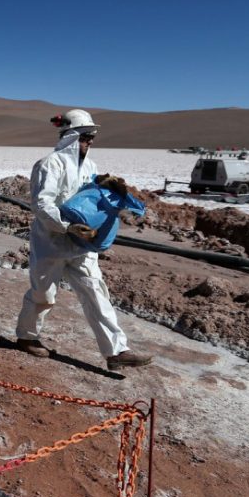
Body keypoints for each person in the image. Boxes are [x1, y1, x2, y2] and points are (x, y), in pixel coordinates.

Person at [15, 109, 152, 370]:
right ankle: (27, 337)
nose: (90, 142)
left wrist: (106, 188)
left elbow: (91, 199)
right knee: (44, 294)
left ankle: (116, 352)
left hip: (82, 244)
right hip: (52, 242)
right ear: (73, 136)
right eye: (87, 136)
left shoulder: (90, 166)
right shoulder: (50, 164)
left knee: (95, 292)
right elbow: (42, 205)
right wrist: (67, 227)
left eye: (92, 137)